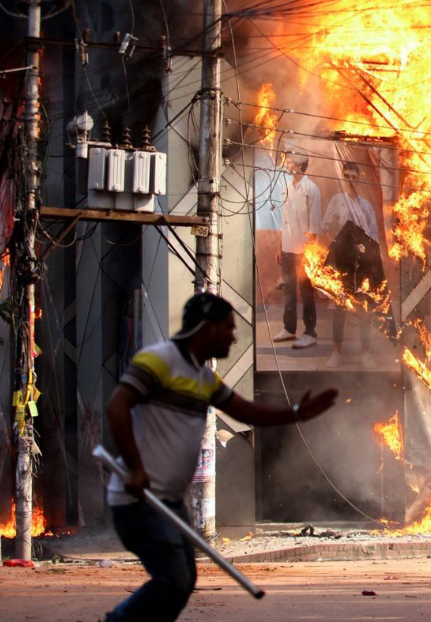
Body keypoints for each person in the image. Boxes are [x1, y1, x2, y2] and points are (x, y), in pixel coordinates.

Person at [104, 293, 338, 622]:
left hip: (168, 501)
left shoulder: (203, 377)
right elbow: (117, 406)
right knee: (174, 579)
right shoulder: (158, 361)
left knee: (182, 581)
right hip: (139, 499)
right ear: (206, 328)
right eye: (228, 328)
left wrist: (298, 413)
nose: (233, 336)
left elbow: (247, 410)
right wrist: (136, 468)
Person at [320, 161, 380, 368]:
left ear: (359, 179)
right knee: (340, 307)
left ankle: (366, 353)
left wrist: (369, 257)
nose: (351, 181)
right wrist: (337, 246)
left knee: (365, 307)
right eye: (347, 176)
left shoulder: (366, 206)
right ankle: (336, 352)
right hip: (343, 262)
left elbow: (373, 234)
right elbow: (326, 225)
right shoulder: (338, 200)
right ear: (343, 178)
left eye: (354, 177)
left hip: (363, 263)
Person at [274, 148, 322, 350]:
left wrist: (308, 254)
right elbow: (284, 221)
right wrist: (280, 247)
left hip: (303, 251)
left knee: (306, 291)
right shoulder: (286, 187)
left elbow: (314, 226)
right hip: (286, 247)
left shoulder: (312, 189)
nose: (287, 164)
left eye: (292, 161)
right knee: (289, 290)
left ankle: (310, 332)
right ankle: (289, 328)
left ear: (301, 165)